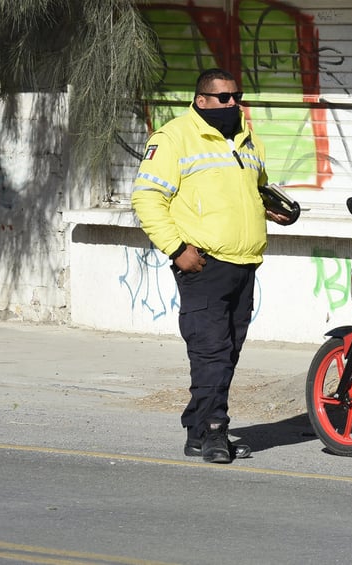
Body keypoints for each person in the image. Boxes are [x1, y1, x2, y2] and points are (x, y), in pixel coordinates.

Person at [131, 68, 296, 463]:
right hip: (203, 263)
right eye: (223, 97)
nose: (232, 104)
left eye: (236, 96)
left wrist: (271, 208)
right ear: (201, 100)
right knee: (211, 353)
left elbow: (253, 188)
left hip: (244, 262)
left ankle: (197, 430)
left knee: (229, 352)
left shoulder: (245, 138)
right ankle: (215, 432)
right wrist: (176, 249)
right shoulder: (173, 138)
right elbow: (146, 198)